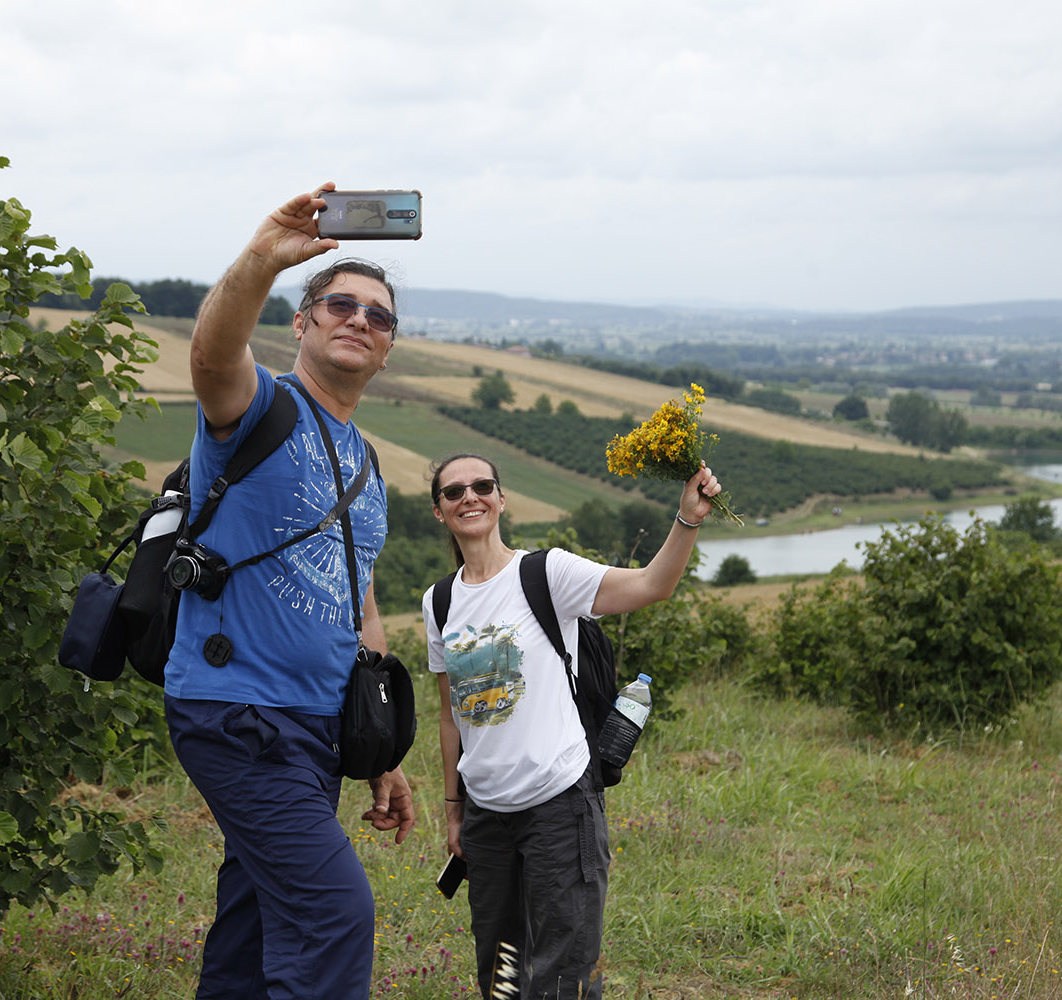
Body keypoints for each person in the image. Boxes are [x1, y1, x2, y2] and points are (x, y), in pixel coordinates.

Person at [164, 183, 416, 999]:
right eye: (339, 304)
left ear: (386, 349)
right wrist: (263, 257)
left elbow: (361, 604)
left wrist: (382, 749)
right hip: (239, 711)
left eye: (377, 316)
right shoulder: (260, 409)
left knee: (256, 928)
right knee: (335, 915)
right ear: (301, 323)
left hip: (311, 729)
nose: (358, 320)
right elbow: (210, 354)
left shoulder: (369, 469)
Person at [421, 452, 722, 999]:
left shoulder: (546, 574)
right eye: (454, 491)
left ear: (501, 499)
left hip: (558, 805)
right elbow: (450, 715)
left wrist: (688, 519)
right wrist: (454, 809)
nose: (470, 496)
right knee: (501, 973)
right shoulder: (439, 601)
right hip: (487, 817)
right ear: (439, 511)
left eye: (482, 485)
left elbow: (652, 585)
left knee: (563, 973)